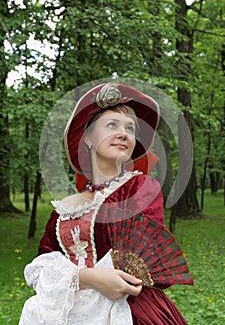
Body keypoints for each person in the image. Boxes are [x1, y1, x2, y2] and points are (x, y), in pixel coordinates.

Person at [19, 82, 193, 325]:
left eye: (130, 129)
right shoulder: (64, 209)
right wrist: (89, 278)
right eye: (112, 125)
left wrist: (74, 277)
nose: (124, 133)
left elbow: (138, 260)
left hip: (127, 310)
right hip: (65, 312)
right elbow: (42, 265)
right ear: (87, 138)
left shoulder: (140, 189)